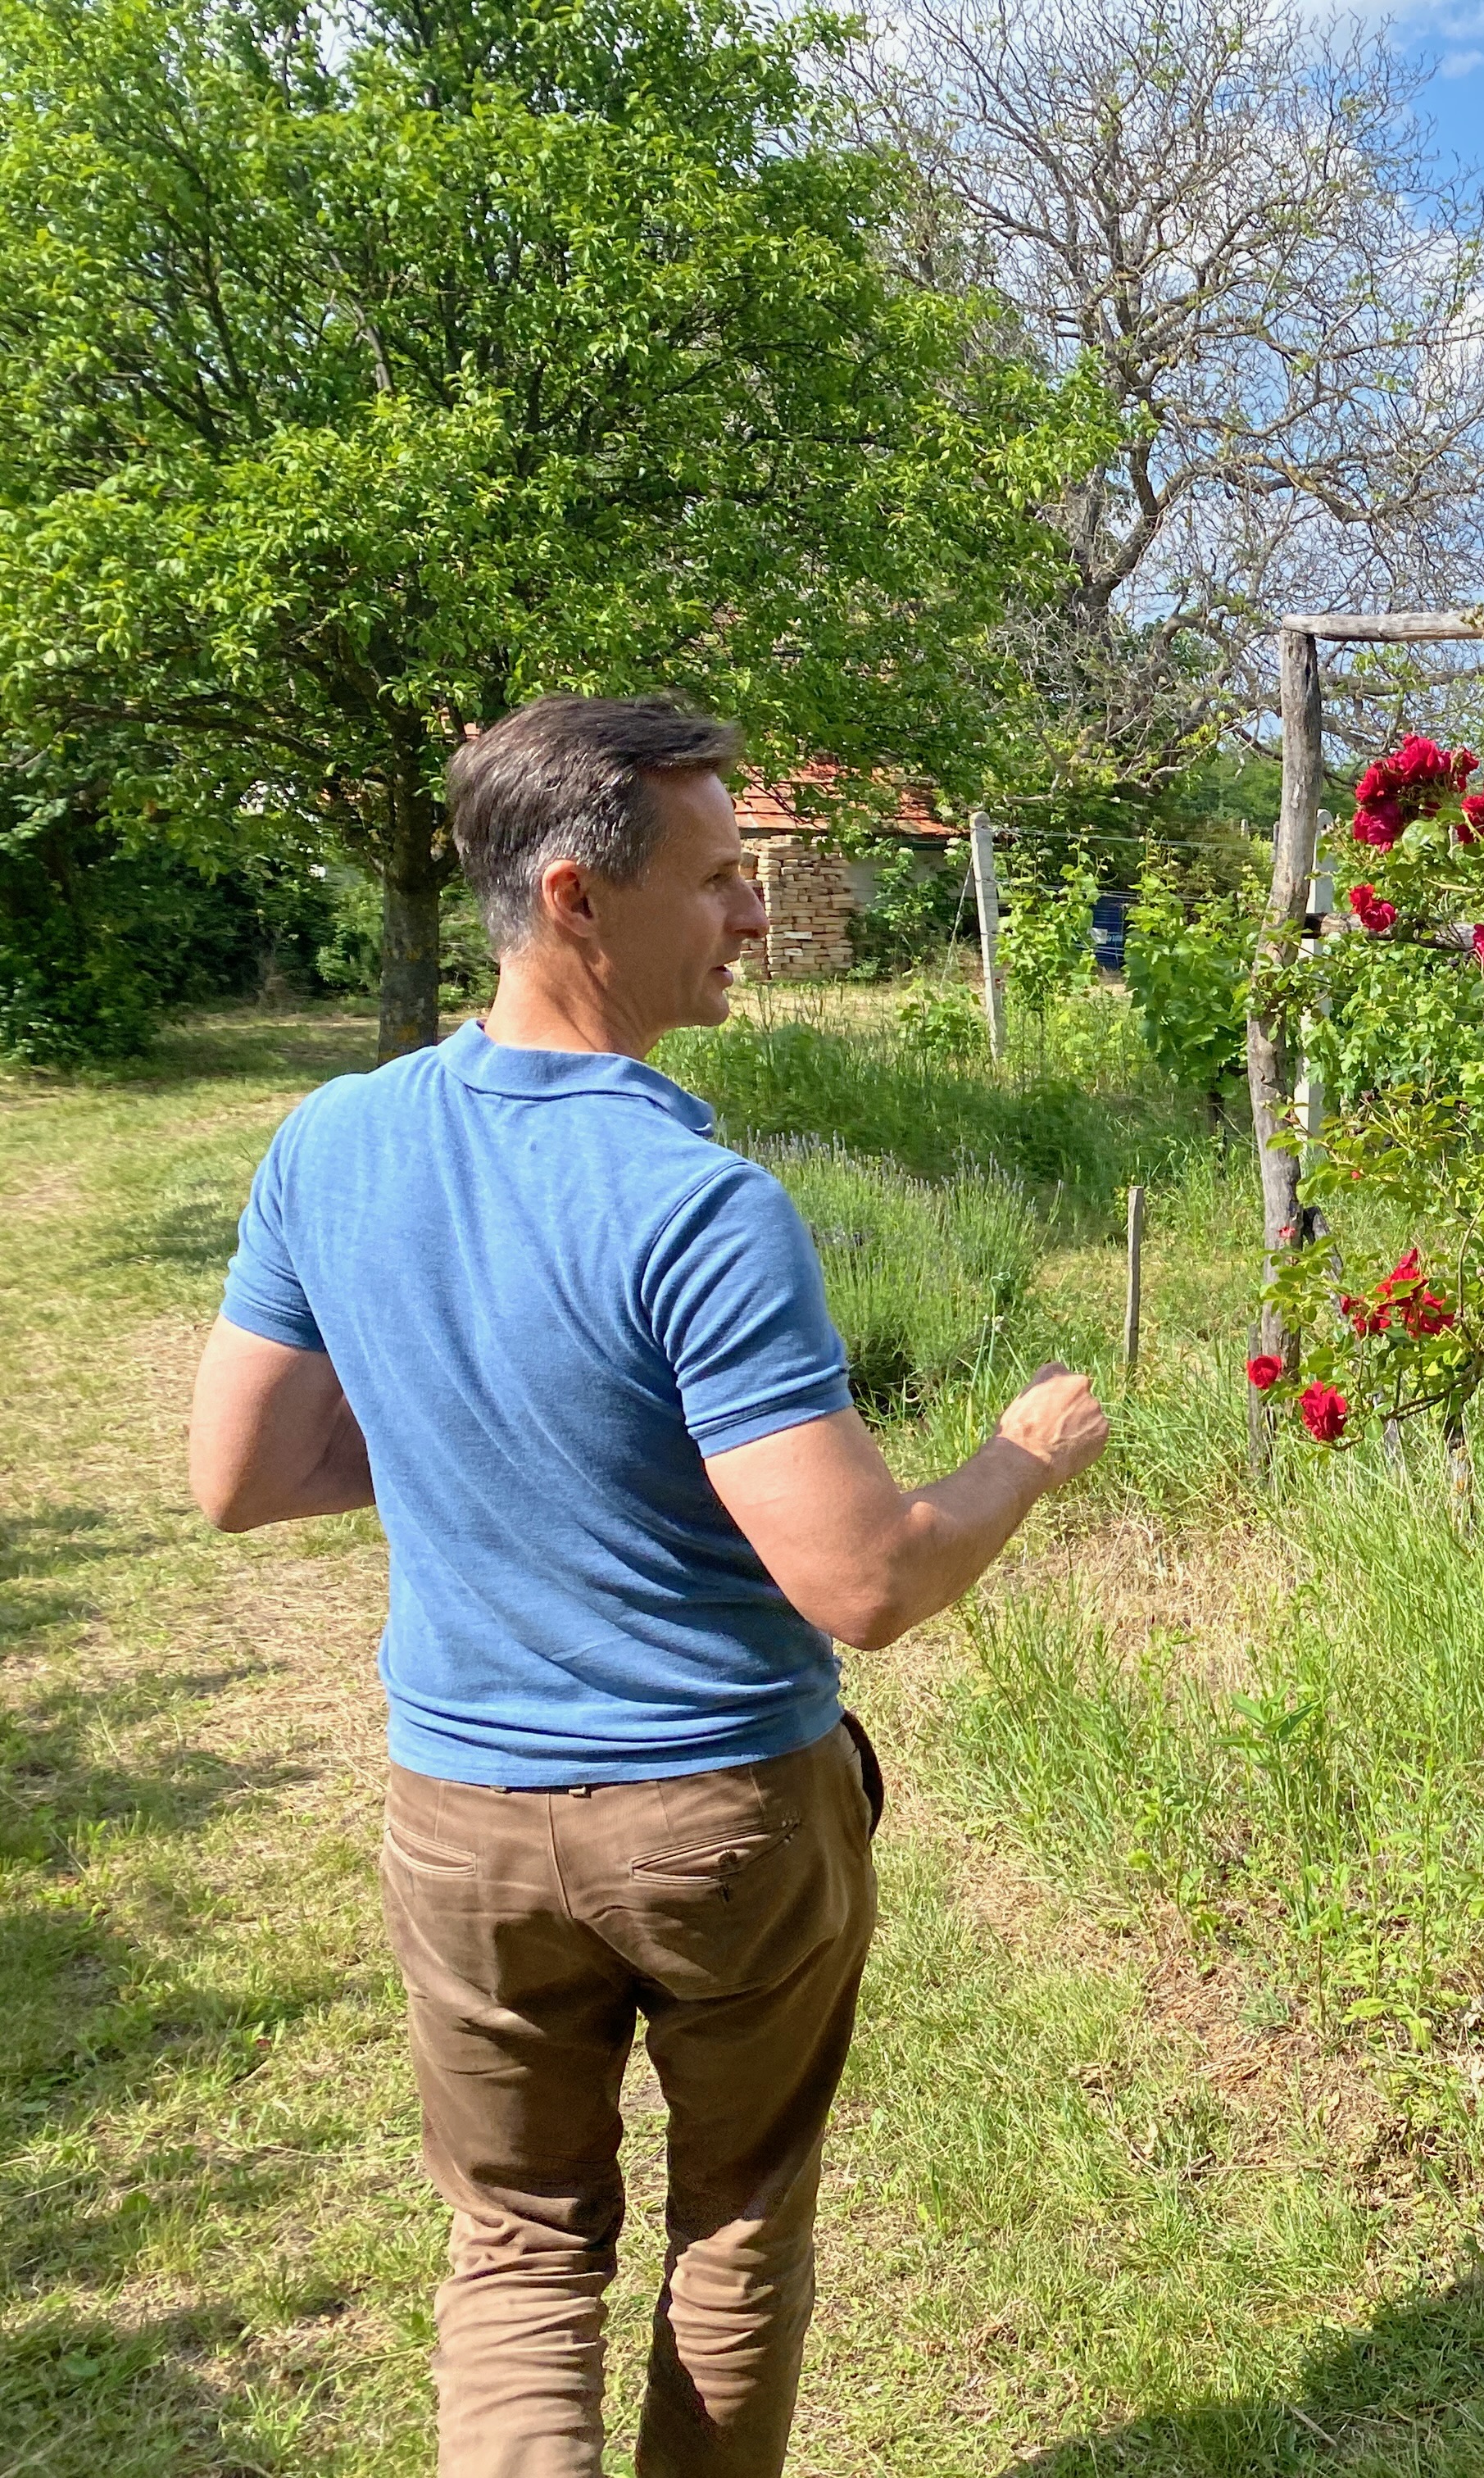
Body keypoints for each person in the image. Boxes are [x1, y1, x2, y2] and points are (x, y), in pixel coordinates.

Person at [185, 695, 1111, 2478]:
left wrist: (482, 1434)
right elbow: (863, 1582)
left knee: (518, 2244)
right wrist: (1021, 1458)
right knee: (739, 2222)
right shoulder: (698, 1205)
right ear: (575, 899)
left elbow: (244, 1474)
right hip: (718, 1823)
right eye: (719, 882)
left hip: (462, 1819)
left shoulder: (333, 1142)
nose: (758, 918)